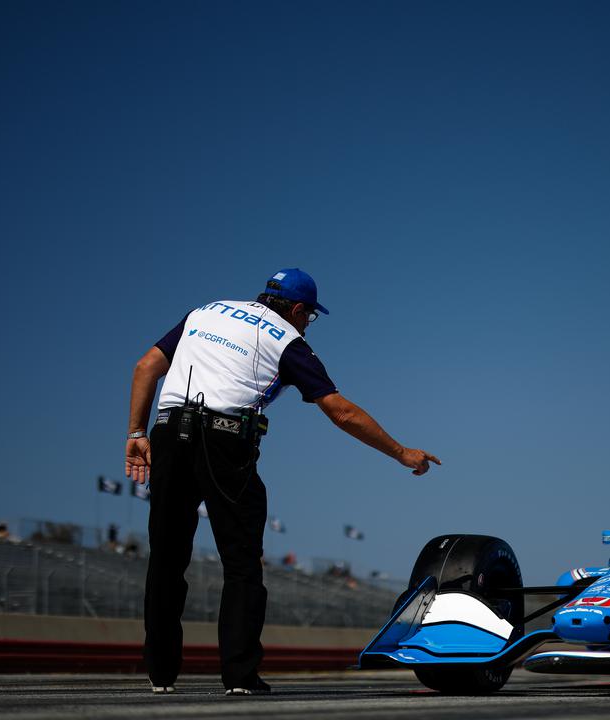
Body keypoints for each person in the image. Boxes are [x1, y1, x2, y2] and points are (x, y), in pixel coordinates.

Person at [125, 268, 440, 696]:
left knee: (166, 556)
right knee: (241, 564)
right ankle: (239, 676)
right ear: (297, 309)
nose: (308, 323)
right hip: (224, 441)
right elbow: (341, 412)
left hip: (167, 432)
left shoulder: (206, 312)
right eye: (309, 316)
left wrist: (136, 433)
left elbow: (146, 367)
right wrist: (402, 452)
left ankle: (160, 673)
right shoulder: (288, 340)